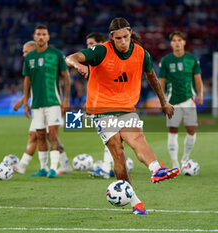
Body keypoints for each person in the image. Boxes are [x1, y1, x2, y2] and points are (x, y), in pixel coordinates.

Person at [66, 17, 179, 215]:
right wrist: (78, 65)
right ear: (112, 38)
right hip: (102, 110)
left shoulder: (141, 53)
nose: (123, 42)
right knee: (118, 152)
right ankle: (136, 202)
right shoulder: (102, 50)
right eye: (118, 39)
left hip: (126, 107)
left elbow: (151, 77)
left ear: (130, 34)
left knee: (137, 138)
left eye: (126, 37)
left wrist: (163, 101)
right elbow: (70, 57)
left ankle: (156, 169)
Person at [14, 40, 72, 175]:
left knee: (46, 135)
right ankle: (62, 164)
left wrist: (62, 103)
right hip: (37, 106)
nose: (24, 55)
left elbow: (56, 86)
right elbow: (31, 87)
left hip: (51, 105)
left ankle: (24, 165)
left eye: (26, 52)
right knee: (41, 135)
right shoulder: (32, 66)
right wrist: (23, 101)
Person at [158, 31, 204, 169]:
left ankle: (185, 158)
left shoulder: (192, 59)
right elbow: (161, 82)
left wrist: (200, 94)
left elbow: (197, 78)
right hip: (172, 101)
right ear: (171, 43)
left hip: (189, 100)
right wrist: (162, 101)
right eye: (174, 40)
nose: (177, 43)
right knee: (173, 130)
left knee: (191, 130)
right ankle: (175, 163)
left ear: (184, 42)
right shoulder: (166, 60)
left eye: (179, 40)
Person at [83, 32, 114, 179]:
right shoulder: (96, 61)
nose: (88, 47)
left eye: (91, 44)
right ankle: (113, 166)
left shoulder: (102, 58)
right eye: (87, 44)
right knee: (112, 137)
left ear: (101, 43)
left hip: (108, 103)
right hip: (104, 102)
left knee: (108, 136)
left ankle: (106, 169)